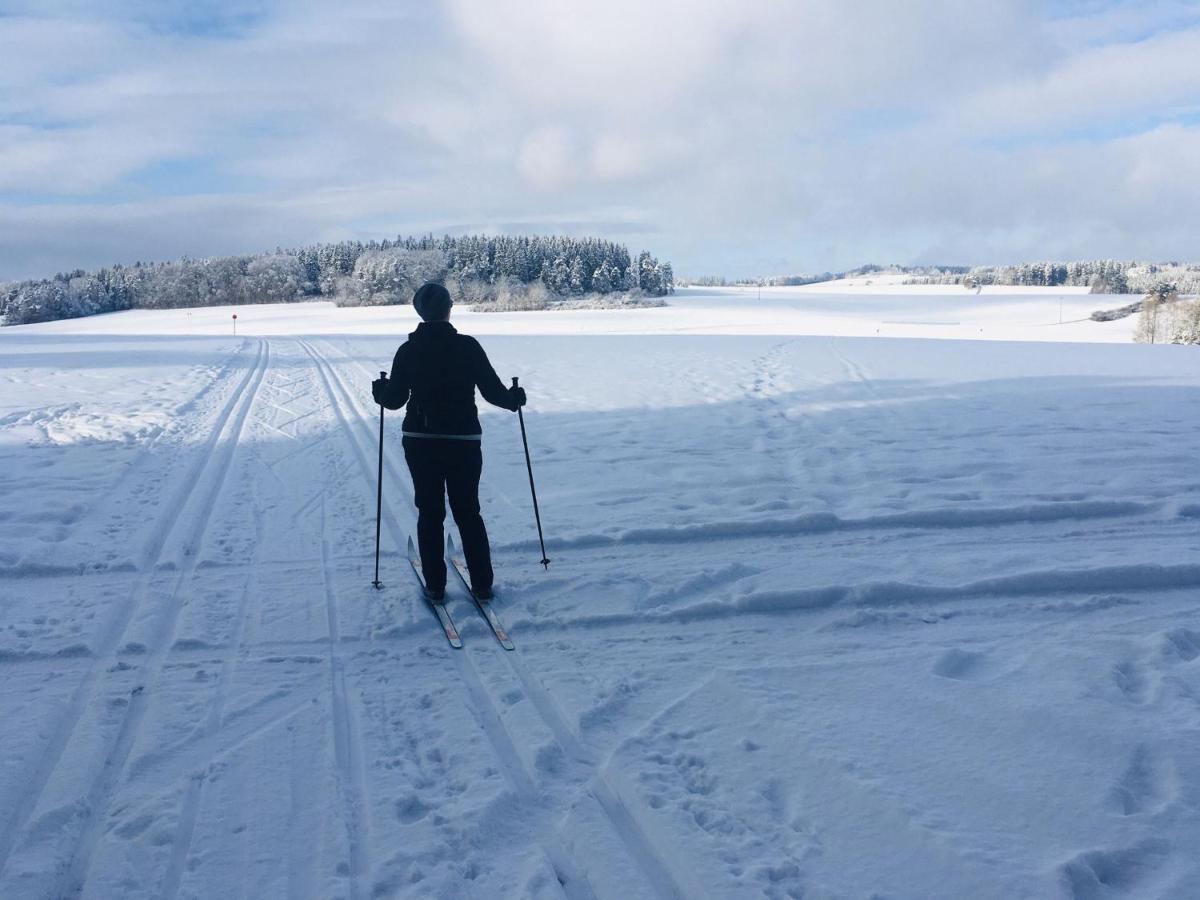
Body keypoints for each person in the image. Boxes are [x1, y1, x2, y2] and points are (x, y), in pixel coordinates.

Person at [372, 282, 526, 603]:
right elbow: (492, 392)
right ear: (449, 308)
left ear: (420, 313)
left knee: (430, 512)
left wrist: (380, 392)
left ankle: (435, 586)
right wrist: (514, 400)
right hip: (464, 442)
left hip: (420, 442)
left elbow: (395, 401)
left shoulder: (408, 350)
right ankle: (482, 584)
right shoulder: (468, 347)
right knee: (468, 511)